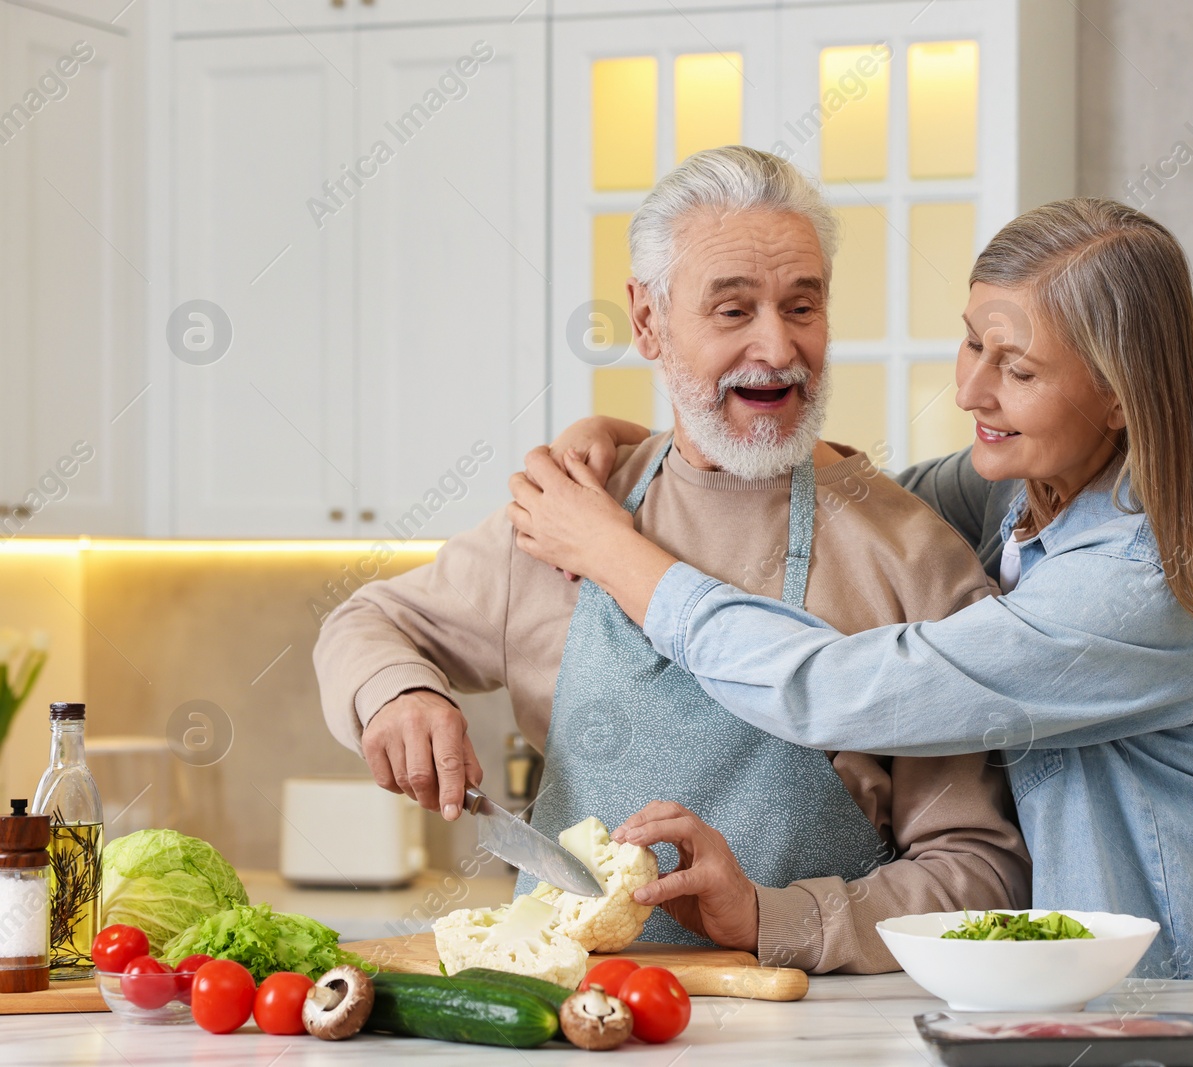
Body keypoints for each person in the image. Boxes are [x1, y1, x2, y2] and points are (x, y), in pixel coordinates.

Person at [507, 197, 1193, 981]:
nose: (972, 392)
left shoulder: (1138, 586)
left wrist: (612, 550)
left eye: (1020, 369)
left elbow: (829, 690)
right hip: (1090, 1010)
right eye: (973, 345)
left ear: (1119, 394)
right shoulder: (1022, 487)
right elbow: (853, 499)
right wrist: (637, 447)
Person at [313, 146, 1030, 974]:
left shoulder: (913, 557)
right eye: (732, 311)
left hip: (811, 1034)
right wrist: (395, 691)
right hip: (570, 1023)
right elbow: (367, 620)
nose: (778, 346)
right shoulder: (567, 510)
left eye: (803, 306)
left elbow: (981, 876)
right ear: (647, 321)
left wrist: (775, 916)